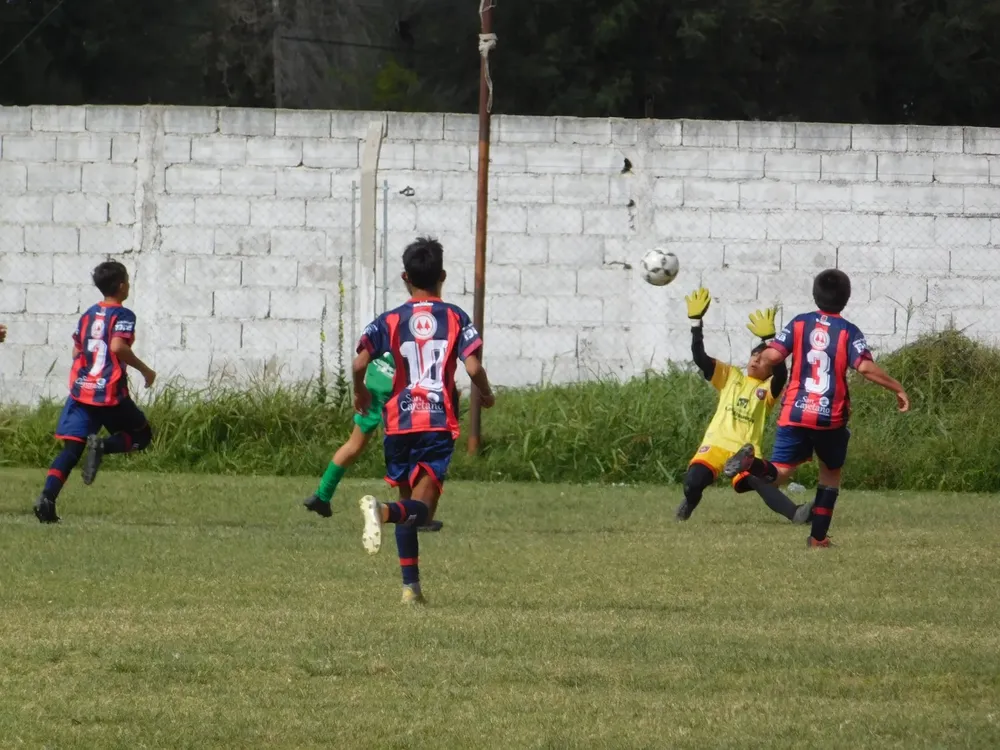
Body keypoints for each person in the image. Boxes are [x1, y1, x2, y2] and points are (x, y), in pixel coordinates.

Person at [353, 236, 495, 604]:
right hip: (435, 421)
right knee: (424, 511)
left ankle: (410, 589)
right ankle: (381, 511)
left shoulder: (389, 320)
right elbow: (474, 366)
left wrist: (360, 392)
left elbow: (358, 362)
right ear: (443, 275)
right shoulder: (454, 316)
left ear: (404, 277)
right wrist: (488, 393)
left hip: (398, 422)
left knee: (408, 505)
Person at [724, 269, 910, 547]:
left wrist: (769, 343)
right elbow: (865, 367)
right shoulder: (848, 331)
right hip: (829, 417)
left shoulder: (800, 323)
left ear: (815, 295)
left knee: (779, 471)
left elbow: (773, 356)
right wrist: (897, 387)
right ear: (846, 299)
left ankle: (753, 464)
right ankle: (818, 538)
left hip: (795, 410)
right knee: (830, 473)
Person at [34, 261, 156, 523]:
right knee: (142, 435)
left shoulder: (88, 314)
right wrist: (146, 371)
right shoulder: (123, 315)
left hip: (82, 393)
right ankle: (102, 445)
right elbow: (117, 346)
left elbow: (77, 350)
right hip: (109, 394)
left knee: (71, 450)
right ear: (122, 285)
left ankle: (47, 499)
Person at [677, 287, 811, 524]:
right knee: (692, 484)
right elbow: (700, 358)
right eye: (754, 356)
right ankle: (690, 500)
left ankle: (796, 514)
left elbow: (782, 372)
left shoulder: (769, 389)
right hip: (716, 444)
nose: (756, 360)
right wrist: (696, 323)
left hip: (746, 451)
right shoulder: (730, 376)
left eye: (763, 359)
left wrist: (771, 340)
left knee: (758, 480)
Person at [301, 351, 443, 532]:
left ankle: (321, 496)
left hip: (375, 380)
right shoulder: (412, 324)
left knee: (354, 444)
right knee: (405, 445)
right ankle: (411, 514)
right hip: (396, 386)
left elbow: (364, 352)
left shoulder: (383, 323)